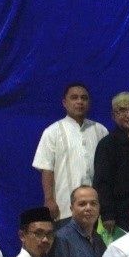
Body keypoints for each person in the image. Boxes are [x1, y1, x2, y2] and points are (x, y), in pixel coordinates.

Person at [32, 82, 108, 223]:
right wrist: (49, 199)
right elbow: (47, 169)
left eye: (84, 98)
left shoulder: (100, 130)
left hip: (97, 209)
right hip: (65, 208)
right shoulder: (52, 132)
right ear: (64, 103)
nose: (79, 102)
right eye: (74, 98)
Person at [94, 92, 129, 234]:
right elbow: (102, 182)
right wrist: (107, 214)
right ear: (113, 116)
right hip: (119, 217)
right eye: (122, 111)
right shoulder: (107, 145)